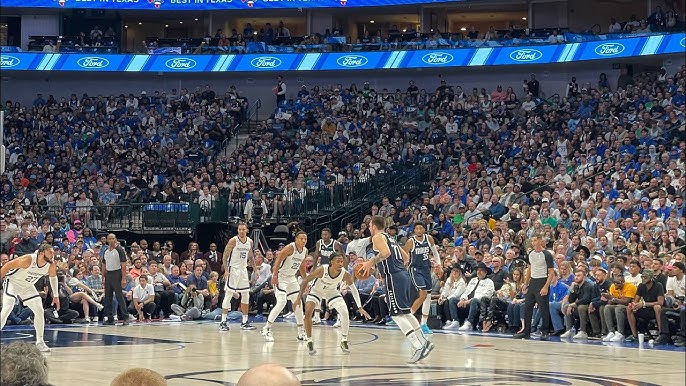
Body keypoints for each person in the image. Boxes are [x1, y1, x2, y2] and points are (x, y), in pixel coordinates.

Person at [360, 215, 433, 363]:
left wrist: (371, 262)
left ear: (373, 226)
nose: (369, 229)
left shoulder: (378, 237)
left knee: (396, 315)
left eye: (369, 226)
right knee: (405, 312)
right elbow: (406, 258)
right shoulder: (391, 237)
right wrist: (387, 266)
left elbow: (386, 253)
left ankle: (418, 346)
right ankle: (424, 342)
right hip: (402, 275)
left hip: (393, 277)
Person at [295, 252, 370, 355]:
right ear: (331, 262)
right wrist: (298, 298)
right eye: (338, 261)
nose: (340, 264)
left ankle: (344, 340)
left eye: (342, 262)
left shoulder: (345, 273)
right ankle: (309, 340)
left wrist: (360, 307)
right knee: (308, 312)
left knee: (344, 312)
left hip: (332, 292)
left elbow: (353, 289)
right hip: (316, 291)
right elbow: (305, 281)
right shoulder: (322, 269)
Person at [0, 243, 60, 352]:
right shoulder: (28, 260)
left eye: (53, 252)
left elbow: (53, 277)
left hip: (27, 287)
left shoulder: (50, 263)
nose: (52, 254)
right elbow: (7, 266)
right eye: (50, 252)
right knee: (7, 309)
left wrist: (56, 295)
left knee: (39, 310)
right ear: (41, 253)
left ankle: (40, 342)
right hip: (13, 283)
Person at [261, 231, 308, 342]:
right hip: (281, 277)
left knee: (298, 303)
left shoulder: (305, 251)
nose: (303, 241)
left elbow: (301, 265)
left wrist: (305, 280)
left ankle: (301, 332)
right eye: (301, 238)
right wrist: (274, 275)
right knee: (281, 302)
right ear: (296, 239)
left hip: (292, 278)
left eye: (305, 239)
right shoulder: (289, 248)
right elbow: (278, 261)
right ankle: (266, 329)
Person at [513, 234, 555, 340]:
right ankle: (526, 331)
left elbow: (551, 272)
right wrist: (526, 283)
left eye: (535, 240)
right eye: (532, 241)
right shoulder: (531, 254)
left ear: (540, 241)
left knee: (543, 307)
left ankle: (545, 331)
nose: (533, 243)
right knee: (527, 307)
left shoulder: (547, 254)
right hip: (533, 281)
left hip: (542, 280)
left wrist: (546, 286)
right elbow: (530, 269)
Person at [402, 221, 440, 334]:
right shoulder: (411, 241)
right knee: (423, 294)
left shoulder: (429, 239)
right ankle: (408, 317)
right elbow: (403, 254)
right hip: (415, 269)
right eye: (416, 228)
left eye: (420, 228)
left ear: (424, 229)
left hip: (426, 269)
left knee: (428, 296)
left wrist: (438, 264)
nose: (419, 230)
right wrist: (404, 263)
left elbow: (435, 253)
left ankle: (423, 324)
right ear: (414, 230)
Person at [219, 223, 256, 331]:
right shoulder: (233, 241)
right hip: (233, 269)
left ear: (247, 230)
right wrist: (226, 270)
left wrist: (255, 269)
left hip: (243, 270)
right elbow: (225, 256)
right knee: (229, 294)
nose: (241, 231)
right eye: (239, 229)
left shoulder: (250, 241)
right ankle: (223, 321)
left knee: (246, 295)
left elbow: (250, 257)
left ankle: (244, 322)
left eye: (243, 229)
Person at [312, 227, 344, 323]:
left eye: (326, 234)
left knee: (335, 294)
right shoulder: (319, 243)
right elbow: (316, 255)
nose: (324, 236)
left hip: (334, 271)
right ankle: (316, 316)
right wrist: (314, 268)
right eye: (322, 234)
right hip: (323, 271)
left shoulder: (336, 244)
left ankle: (339, 317)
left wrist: (343, 270)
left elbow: (343, 257)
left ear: (330, 235)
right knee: (317, 292)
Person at [101, 233, 129, 325]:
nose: (111, 240)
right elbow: (104, 265)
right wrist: (103, 277)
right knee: (108, 297)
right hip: (108, 274)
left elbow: (124, 264)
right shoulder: (106, 251)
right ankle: (110, 318)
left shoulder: (119, 250)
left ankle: (125, 317)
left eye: (113, 238)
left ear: (116, 240)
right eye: (109, 239)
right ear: (107, 240)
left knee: (119, 296)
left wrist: (123, 278)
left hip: (117, 273)